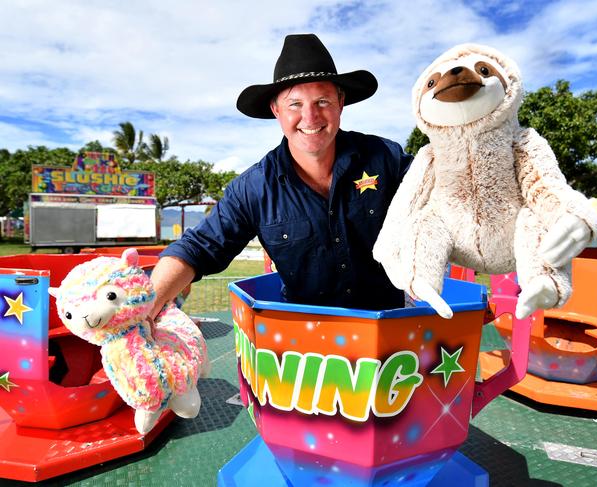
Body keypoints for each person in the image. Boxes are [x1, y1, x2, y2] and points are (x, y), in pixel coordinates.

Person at [149, 33, 412, 318]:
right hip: (305, 348)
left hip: (393, 336)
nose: (310, 117)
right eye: (295, 104)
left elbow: (441, 197)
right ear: (276, 110)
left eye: (322, 101)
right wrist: (146, 308)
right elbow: (198, 248)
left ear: (341, 103)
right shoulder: (253, 188)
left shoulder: (386, 158)